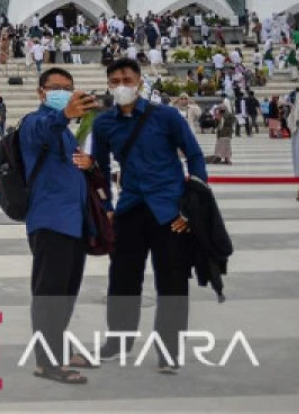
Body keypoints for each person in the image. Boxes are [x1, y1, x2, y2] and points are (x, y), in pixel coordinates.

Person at [93, 58, 208, 372]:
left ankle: (170, 350)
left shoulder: (166, 117)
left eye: (127, 79)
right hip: (130, 209)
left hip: (170, 210)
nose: (121, 86)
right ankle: (118, 340)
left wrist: (192, 205)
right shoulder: (104, 124)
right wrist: (107, 208)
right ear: (108, 84)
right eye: (115, 80)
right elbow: (100, 170)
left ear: (140, 82)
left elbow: (195, 156)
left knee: (172, 281)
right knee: (122, 278)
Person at [20, 67, 102, 384]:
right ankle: (47, 362)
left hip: (74, 222)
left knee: (66, 293)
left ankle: (60, 347)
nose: (63, 92)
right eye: (56, 87)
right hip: (50, 221)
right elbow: (43, 130)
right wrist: (64, 114)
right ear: (41, 92)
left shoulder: (68, 133)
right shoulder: (34, 123)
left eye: (68, 88)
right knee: (49, 294)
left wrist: (90, 163)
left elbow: (76, 167)